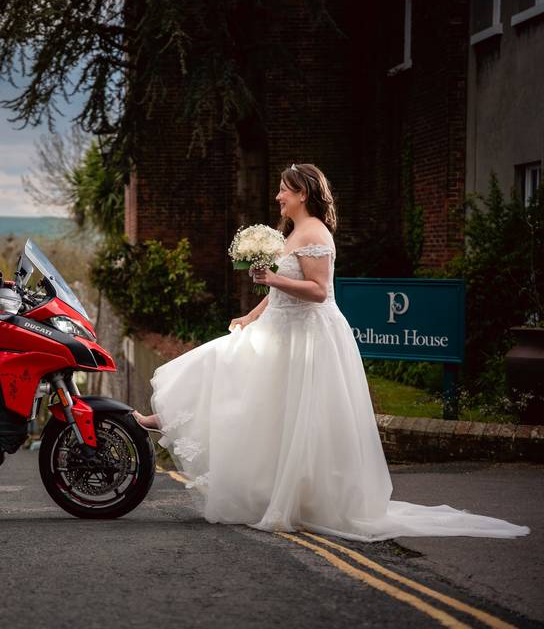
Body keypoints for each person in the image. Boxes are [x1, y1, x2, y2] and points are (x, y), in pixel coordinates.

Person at [134, 163, 529, 542]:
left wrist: (271, 277)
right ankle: (174, 424)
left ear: (302, 193)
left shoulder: (315, 233)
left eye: (284, 191)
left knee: (243, 378)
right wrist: (250, 314)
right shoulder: (292, 232)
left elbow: (320, 292)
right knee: (252, 393)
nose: (277, 197)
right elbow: (277, 292)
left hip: (307, 336)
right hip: (278, 329)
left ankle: (164, 420)